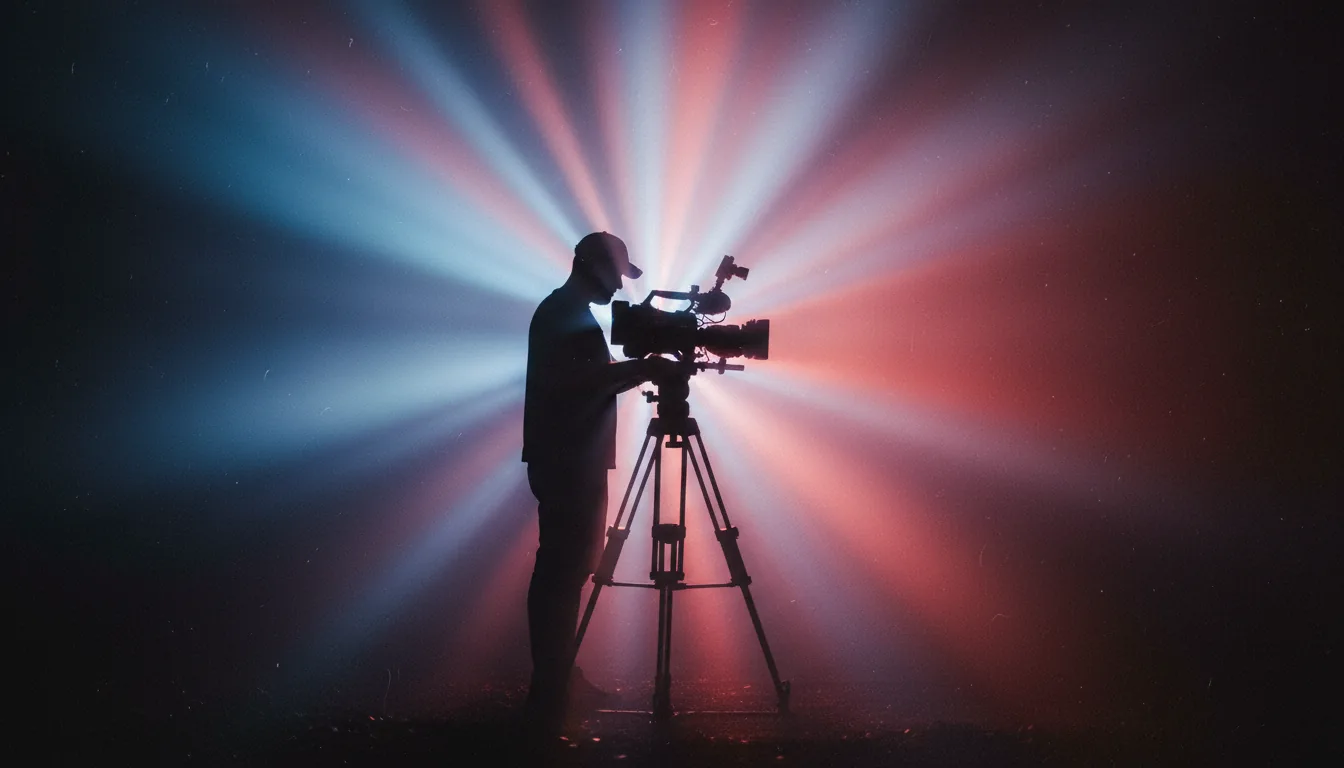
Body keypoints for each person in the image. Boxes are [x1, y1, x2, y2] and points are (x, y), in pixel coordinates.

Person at [521, 231, 675, 728]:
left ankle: (559, 676)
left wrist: (637, 369)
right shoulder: (564, 315)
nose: (618, 289)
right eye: (616, 276)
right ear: (593, 267)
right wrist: (642, 368)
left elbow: (590, 378)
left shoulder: (568, 313)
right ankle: (551, 684)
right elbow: (581, 382)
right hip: (568, 457)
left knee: (570, 566)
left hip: (573, 456)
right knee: (562, 569)